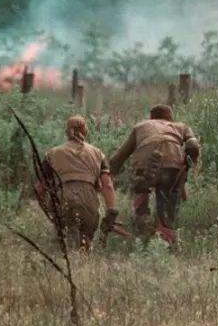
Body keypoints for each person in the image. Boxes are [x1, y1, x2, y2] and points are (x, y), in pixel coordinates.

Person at [109, 104, 199, 244]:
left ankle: (142, 231)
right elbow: (193, 145)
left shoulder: (141, 126)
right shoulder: (180, 126)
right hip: (172, 165)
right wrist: (188, 166)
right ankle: (166, 236)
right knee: (168, 200)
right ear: (170, 117)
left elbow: (120, 155)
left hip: (143, 165)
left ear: (151, 118)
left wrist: (108, 175)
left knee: (141, 195)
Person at [37, 115, 118, 251]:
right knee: (85, 245)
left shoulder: (52, 153)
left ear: (66, 131)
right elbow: (107, 185)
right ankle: (82, 265)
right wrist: (111, 212)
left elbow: (40, 187)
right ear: (86, 131)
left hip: (62, 197)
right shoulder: (98, 153)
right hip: (88, 200)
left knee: (64, 242)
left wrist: (47, 208)